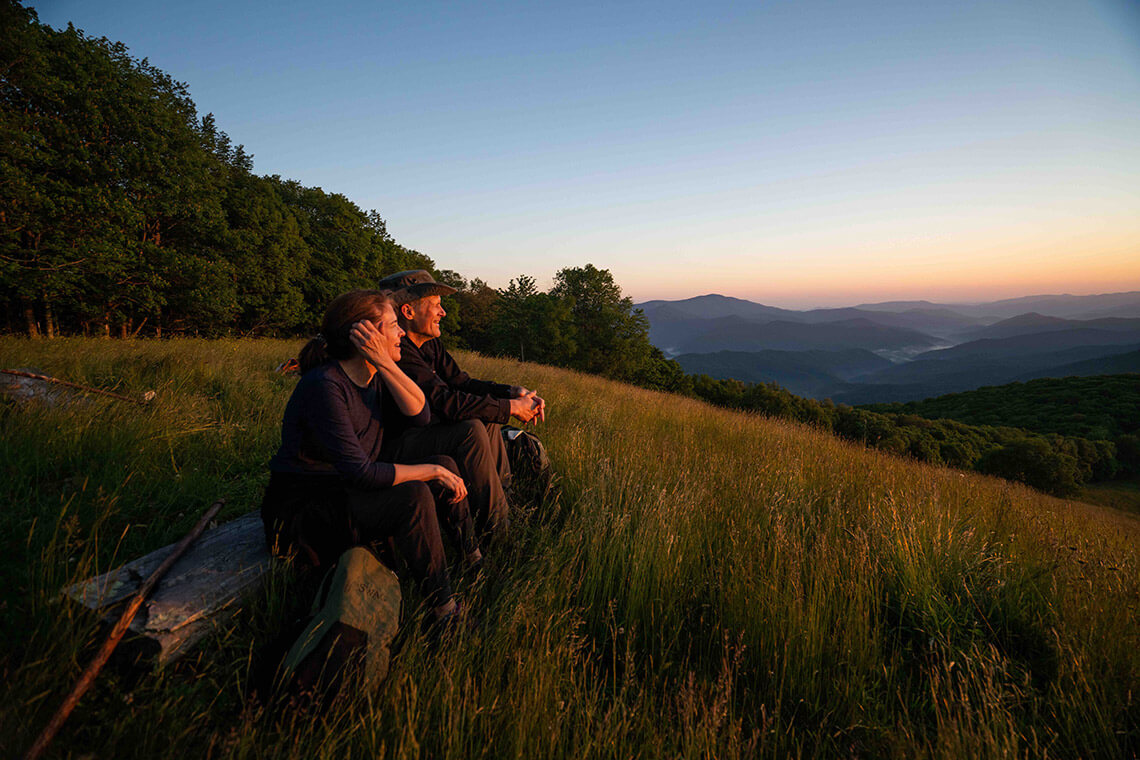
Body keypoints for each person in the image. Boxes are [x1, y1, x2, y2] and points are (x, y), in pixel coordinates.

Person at [261, 289, 479, 625]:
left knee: (445, 466)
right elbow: (361, 473)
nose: (402, 333)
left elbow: (419, 415)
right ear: (367, 336)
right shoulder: (326, 386)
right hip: (306, 510)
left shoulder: (374, 375)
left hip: (342, 490)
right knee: (415, 494)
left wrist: (384, 363)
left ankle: (473, 561)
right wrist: (430, 470)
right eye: (393, 326)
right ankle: (444, 613)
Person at [376, 270, 546, 537]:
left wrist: (510, 393)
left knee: (486, 415)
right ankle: (498, 531)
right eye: (436, 306)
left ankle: (505, 499)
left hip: (425, 432)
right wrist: (511, 409)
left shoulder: (430, 345)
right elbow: (444, 403)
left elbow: (462, 382)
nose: (442, 313)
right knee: (471, 427)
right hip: (397, 443)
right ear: (408, 311)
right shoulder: (400, 351)